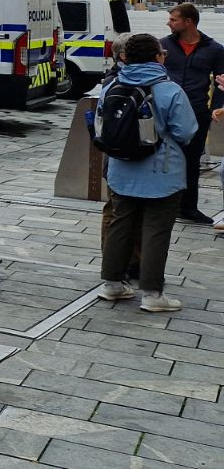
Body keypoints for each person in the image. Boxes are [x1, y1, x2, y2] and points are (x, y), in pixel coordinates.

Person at [97, 33, 196, 312]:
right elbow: (186, 131)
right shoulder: (170, 90)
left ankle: (113, 285)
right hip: (161, 172)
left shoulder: (112, 84)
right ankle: (152, 294)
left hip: (121, 169)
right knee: (156, 230)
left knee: (120, 224)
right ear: (156, 57)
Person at [158, 4, 224, 224]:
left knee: (192, 161)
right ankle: (163, 204)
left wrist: (216, 107)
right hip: (165, 112)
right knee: (162, 157)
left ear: (189, 22)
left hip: (197, 112)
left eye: (173, 19)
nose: (169, 23)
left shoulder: (214, 49)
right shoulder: (163, 45)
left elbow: (221, 81)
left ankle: (189, 208)